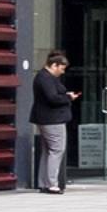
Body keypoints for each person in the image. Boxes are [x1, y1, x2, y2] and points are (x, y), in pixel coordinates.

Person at [33, 50, 80, 194]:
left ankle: (44, 182)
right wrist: (68, 98)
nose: (63, 72)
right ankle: (52, 183)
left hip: (46, 119)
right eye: (62, 68)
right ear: (54, 65)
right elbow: (52, 98)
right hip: (53, 120)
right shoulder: (46, 78)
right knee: (56, 150)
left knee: (48, 151)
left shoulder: (43, 77)